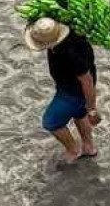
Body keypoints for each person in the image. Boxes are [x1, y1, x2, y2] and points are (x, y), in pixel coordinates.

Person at [24, 17, 101, 162]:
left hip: (73, 93)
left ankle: (73, 150)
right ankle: (89, 147)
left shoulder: (71, 53)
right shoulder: (69, 30)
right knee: (79, 113)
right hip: (71, 87)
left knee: (51, 121)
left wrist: (92, 109)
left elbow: (87, 81)